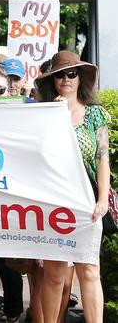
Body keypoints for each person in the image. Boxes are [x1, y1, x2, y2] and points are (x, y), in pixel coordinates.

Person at [35, 50, 110, 323]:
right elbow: (38, 156)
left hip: (87, 201)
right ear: (52, 81)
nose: (66, 79)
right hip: (55, 200)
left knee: (89, 270)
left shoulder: (95, 115)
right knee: (54, 275)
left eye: (72, 73)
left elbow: (103, 160)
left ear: (81, 78)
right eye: (60, 75)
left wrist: (102, 199)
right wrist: (55, 116)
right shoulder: (44, 114)